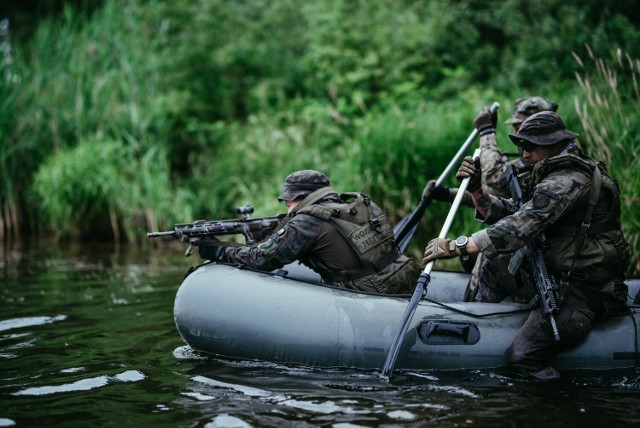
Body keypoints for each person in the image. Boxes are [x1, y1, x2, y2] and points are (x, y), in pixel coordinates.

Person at [422, 111, 630, 379]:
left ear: (553, 143)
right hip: (560, 273)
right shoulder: (547, 171)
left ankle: (552, 407)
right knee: (494, 261)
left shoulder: (570, 179)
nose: (523, 153)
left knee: (521, 359)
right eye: (521, 145)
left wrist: (459, 246)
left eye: (530, 146)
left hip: (584, 290)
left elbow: (525, 222)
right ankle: (471, 325)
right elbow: (515, 210)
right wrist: (477, 192)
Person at [198, 169, 422, 294]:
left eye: (290, 198)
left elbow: (261, 259)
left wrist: (219, 251)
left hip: (368, 291)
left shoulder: (308, 221)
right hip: (401, 275)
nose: (287, 203)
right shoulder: (354, 207)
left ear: (302, 197)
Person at [427, 97, 559, 301]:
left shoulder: (549, 167)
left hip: (544, 255)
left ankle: (473, 309)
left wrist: (487, 133)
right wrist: (449, 194)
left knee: (488, 254)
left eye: (520, 127)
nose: (515, 135)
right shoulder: (532, 163)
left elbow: (494, 175)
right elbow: (495, 196)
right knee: (478, 254)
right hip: (525, 242)